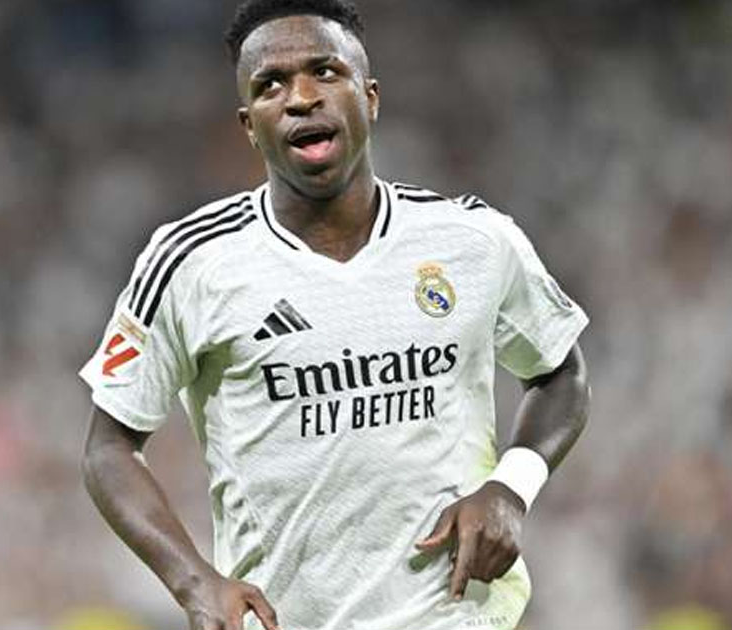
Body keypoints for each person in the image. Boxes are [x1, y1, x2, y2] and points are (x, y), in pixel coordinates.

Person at [79, 1, 591, 629]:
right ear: (249, 125)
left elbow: (561, 372)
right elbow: (109, 449)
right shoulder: (191, 262)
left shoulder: (472, 239)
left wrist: (512, 486)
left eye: (325, 72)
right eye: (271, 85)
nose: (301, 98)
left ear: (369, 98)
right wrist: (193, 582)